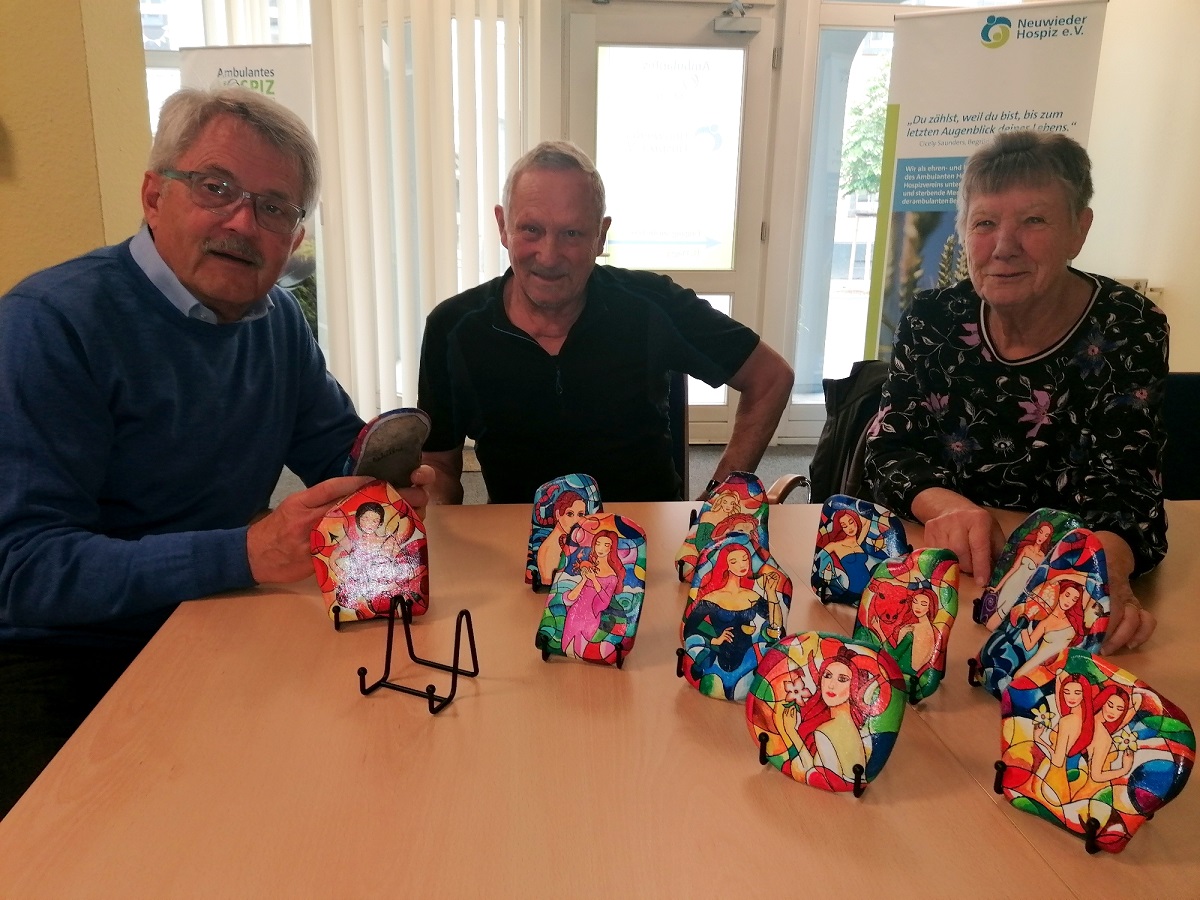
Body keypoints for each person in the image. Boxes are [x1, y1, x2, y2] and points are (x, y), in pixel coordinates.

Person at [0, 86, 432, 816]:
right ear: (153, 194)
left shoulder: (278, 324)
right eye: (215, 187)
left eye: (274, 207)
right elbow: (24, 568)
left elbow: (334, 444)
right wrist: (245, 553)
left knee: (366, 789)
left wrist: (382, 475)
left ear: (295, 238)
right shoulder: (49, 325)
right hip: (62, 657)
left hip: (218, 620)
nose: (243, 221)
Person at [864, 130, 1166, 653]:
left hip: (1062, 578)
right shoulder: (933, 319)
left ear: (1079, 229)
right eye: (984, 223)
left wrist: (1107, 574)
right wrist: (948, 509)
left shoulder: (1129, 325)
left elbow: (1129, 479)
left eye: (1034, 220)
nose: (1004, 247)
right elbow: (890, 448)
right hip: (953, 574)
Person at [417, 140, 794, 504]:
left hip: (644, 544)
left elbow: (770, 377)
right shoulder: (453, 328)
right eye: (531, 229)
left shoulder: (652, 304)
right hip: (517, 545)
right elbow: (440, 466)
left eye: (572, 233)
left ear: (601, 235)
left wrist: (719, 505)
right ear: (503, 226)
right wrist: (426, 506)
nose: (549, 256)